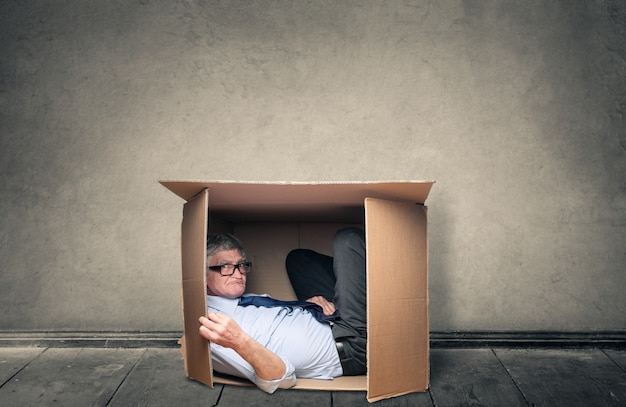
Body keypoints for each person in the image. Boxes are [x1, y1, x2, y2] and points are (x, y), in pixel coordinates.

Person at [198, 227, 367, 394]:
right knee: (348, 239)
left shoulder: (239, 300)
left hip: (328, 315)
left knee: (298, 259)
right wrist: (239, 341)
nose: (238, 274)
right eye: (225, 266)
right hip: (351, 344)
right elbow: (282, 379)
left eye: (241, 264)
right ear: (202, 275)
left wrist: (306, 305)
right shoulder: (215, 331)